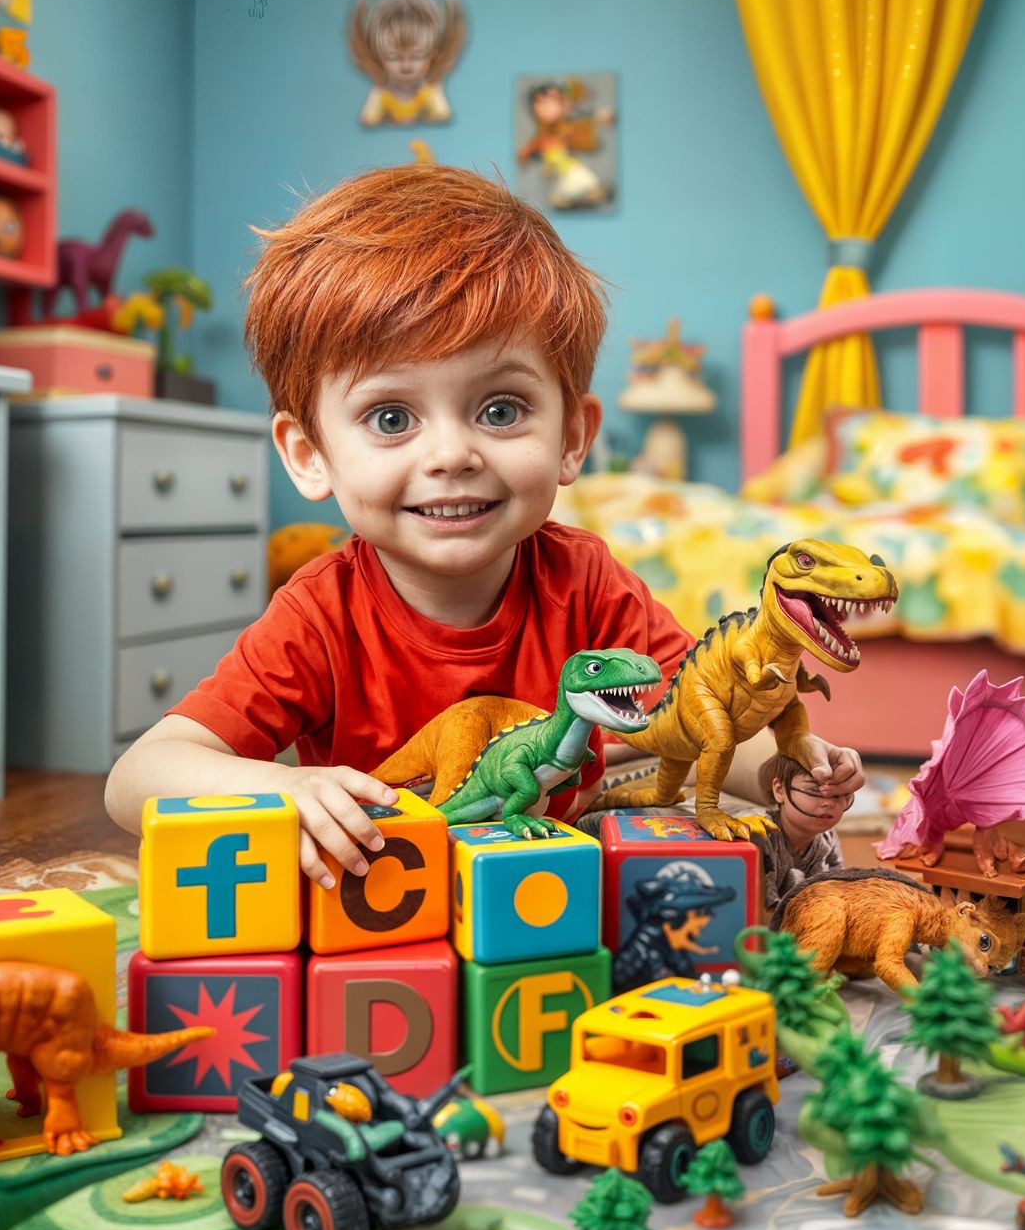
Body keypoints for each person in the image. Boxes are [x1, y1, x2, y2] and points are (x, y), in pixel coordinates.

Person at [105, 165, 859, 888]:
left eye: (500, 410)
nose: (452, 455)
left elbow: (697, 719)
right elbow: (137, 777)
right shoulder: (319, 615)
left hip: (548, 892)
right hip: (381, 894)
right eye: (391, 417)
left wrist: (787, 771)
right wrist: (278, 787)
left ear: (571, 438)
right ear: (311, 456)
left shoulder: (587, 583)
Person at [756, 752, 857, 915]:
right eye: (814, 791)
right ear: (780, 790)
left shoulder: (827, 836)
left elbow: (838, 887)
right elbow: (765, 907)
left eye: (839, 794)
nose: (829, 803)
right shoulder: (763, 834)